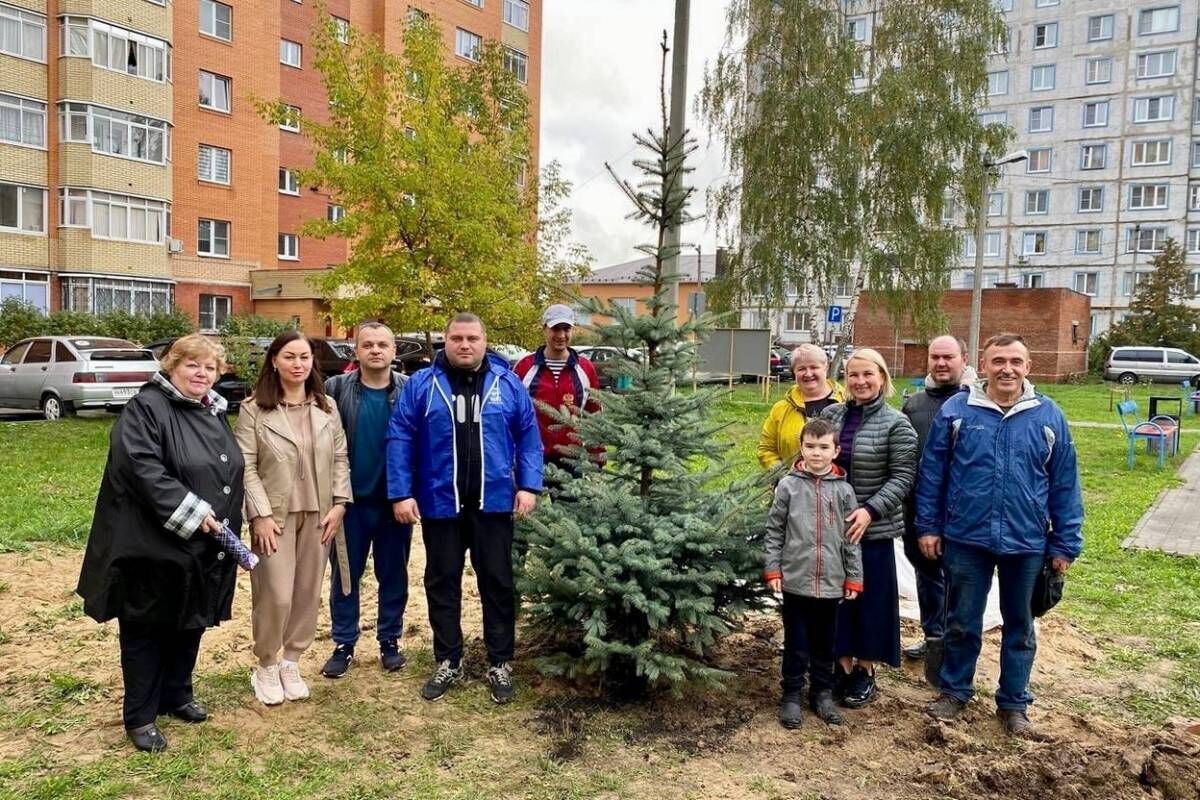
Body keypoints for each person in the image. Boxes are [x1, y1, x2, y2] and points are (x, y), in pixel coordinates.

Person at [77, 335, 245, 753]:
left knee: (191, 619)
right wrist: (192, 510)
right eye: (192, 365)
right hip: (151, 543)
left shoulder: (212, 410)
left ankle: (176, 694)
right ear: (172, 366)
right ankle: (140, 716)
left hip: (202, 543)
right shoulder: (147, 407)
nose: (201, 373)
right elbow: (140, 466)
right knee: (147, 627)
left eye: (210, 367)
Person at [918, 333, 1083, 736]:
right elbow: (933, 473)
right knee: (961, 621)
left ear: (1028, 367)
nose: (1006, 369)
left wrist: (1064, 543)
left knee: (1021, 626)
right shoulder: (959, 411)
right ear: (984, 365)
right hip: (965, 537)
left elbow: (1065, 483)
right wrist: (928, 526)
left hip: (1027, 542)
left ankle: (1013, 704)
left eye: (1015, 361)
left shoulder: (1048, 416)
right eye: (998, 361)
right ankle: (954, 692)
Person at [387, 313, 543, 704]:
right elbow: (400, 437)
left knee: (498, 583)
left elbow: (528, 436)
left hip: (493, 504)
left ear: (485, 341)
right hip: (441, 504)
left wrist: (528, 485)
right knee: (441, 583)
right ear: (446, 341)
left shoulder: (507, 384)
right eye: (457, 338)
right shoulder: (422, 385)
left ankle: (500, 661)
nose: (465, 345)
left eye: (472, 337)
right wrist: (401, 492)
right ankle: (448, 658)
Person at [235, 331, 350, 706]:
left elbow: (339, 459)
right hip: (275, 517)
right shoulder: (254, 408)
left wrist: (339, 504)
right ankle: (266, 663)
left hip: (319, 514)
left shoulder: (326, 407)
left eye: (304, 358)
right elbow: (246, 466)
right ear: (274, 361)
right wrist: (260, 515)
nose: (298, 365)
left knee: (305, 594)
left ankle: (291, 661)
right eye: (290, 357)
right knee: (276, 594)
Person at [819, 348, 918, 708]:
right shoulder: (831, 415)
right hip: (833, 528)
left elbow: (904, 476)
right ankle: (841, 666)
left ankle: (865, 670)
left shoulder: (896, 423)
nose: (860, 382)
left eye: (867, 375)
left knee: (871, 602)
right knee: (837, 600)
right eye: (853, 375)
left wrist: (870, 511)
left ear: (882, 378)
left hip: (872, 530)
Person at [320, 323, 411, 678]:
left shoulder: (409, 390)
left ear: (394, 350)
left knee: (394, 575)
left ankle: (390, 640)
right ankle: (344, 643)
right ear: (355, 351)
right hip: (349, 504)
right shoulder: (335, 389)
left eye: (383, 344)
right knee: (345, 575)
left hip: (394, 503)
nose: (376, 350)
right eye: (368, 345)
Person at [763, 418, 863, 730]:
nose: (816, 453)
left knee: (825, 642)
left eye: (823, 447)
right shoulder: (788, 486)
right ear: (801, 448)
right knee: (797, 641)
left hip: (832, 583)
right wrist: (773, 568)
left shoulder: (844, 491)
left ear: (836, 451)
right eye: (810, 446)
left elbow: (850, 538)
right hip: (795, 580)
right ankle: (792, 694)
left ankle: (822, 693)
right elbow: (774, 530)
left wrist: (853, 576)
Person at [900, 335, 968, 681]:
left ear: (963, 359)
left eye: (948, 357)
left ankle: (957, 646)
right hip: (918, 509)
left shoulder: (976, 403)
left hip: (961, 512)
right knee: (927, 579)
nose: (941, 364)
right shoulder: (914, 405)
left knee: (959, 580)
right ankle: (933, 637)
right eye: (935, 357)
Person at [513, 304, 601, 479]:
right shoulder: (524, 368)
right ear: (544, 329)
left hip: (572, 459)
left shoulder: (585, 369)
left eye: (566, 329)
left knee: (571, 507)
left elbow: (595, 415)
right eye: (555, 329)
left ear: (572, 330)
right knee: (528, 507)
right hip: (531, 457)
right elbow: (511, 414)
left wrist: (596, 457)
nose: (561, 335)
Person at [757, 344, 845, 471]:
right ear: (794, 372)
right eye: (801, 369)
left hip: (839, 486)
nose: (808, 373)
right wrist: (785, 478)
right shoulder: (781, 409)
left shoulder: (847, 403)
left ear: (826, 367)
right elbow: (766, 450)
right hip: (792, 488)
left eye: (814, 367)